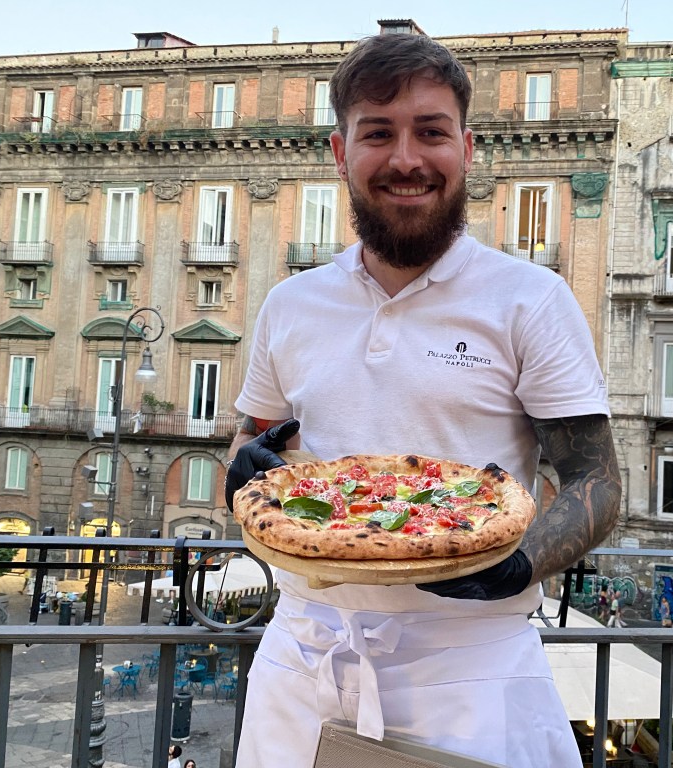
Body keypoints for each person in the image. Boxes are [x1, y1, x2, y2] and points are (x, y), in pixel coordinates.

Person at [224, 32, 620, 768]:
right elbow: (256, 440)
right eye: (378, 133)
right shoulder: (290, 303)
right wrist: (241, 472)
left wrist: (520, 563)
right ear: (340, 153)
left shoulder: (531, 299)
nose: (406, 159)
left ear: (466, 149)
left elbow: (596, 480)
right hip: (304, 652)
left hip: (472, 665)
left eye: (431, 132)